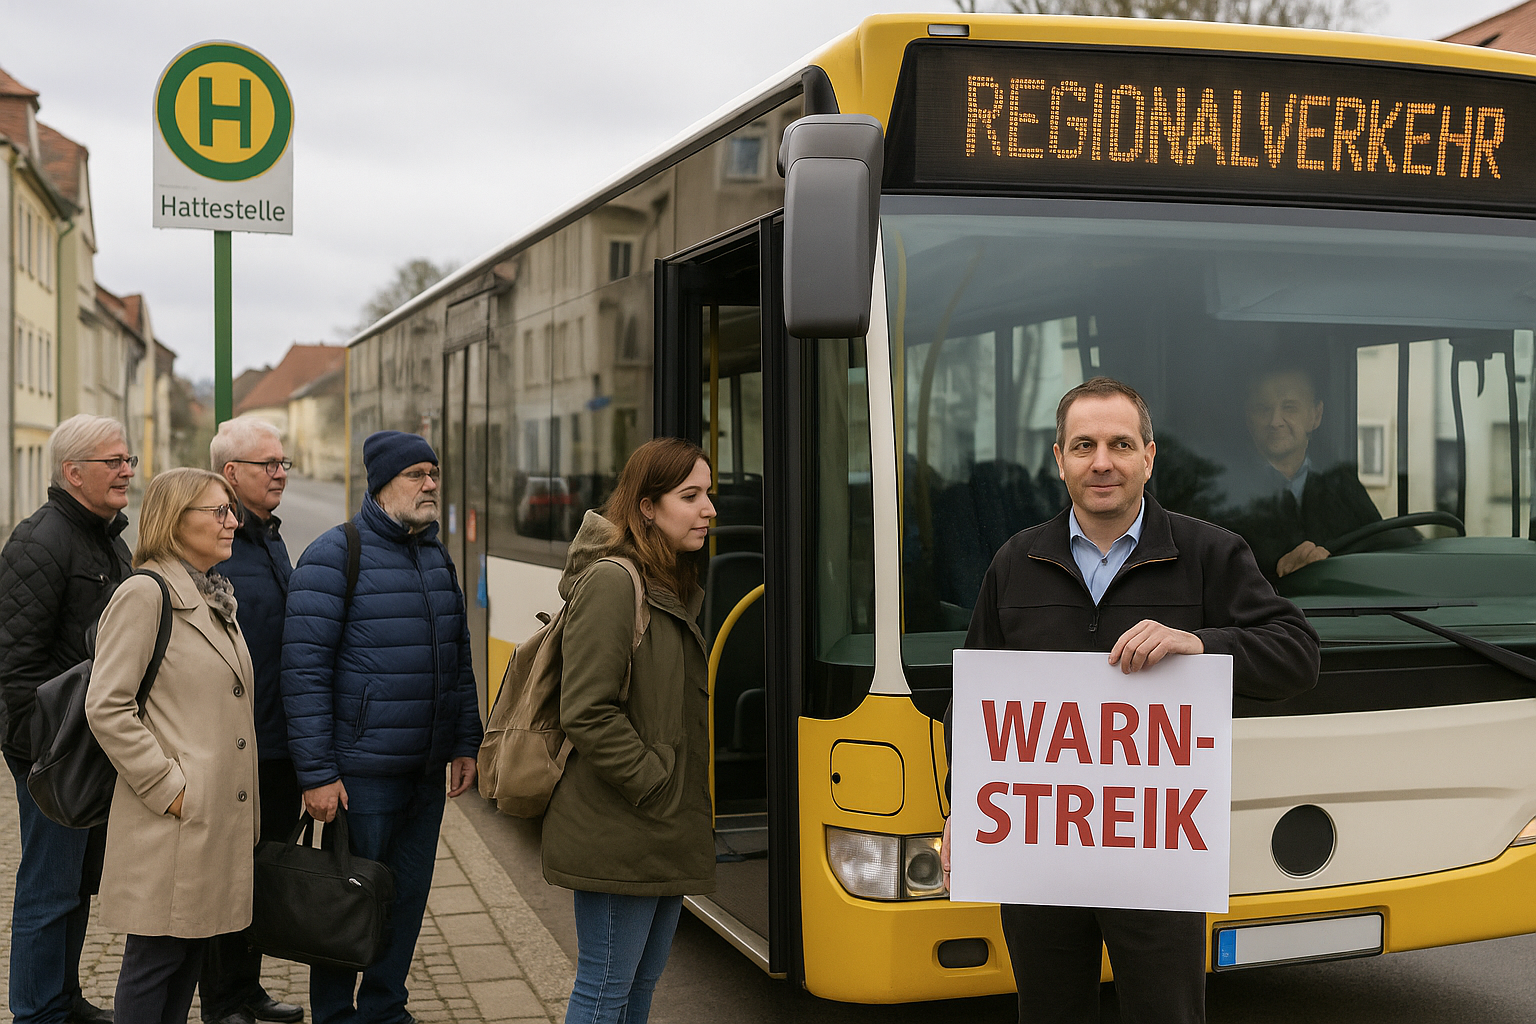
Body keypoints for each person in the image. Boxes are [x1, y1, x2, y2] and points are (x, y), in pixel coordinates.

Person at [941, 377, 1319, 1024]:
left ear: (1149, 456)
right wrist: (962, 809)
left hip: (1156, 855)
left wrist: (1200, 644)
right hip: (1040, 851)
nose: (1102, 462)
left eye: (1120, 444)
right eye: (1083, 445)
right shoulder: (1014, 562)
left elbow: (1297, 655)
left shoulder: (1210, 554)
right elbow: (974, 704)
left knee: (1165, 1014)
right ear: (1058, 460)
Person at [281, 430, 483, 1024]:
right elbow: (304, 673)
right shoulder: (334, 553)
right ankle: (335, 1015)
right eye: (416, 474)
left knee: (407, 900)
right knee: (350, 901)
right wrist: (317, 773)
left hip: (423, 771)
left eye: (434, 473)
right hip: (361, 775)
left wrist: (465, 740)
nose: (430, 485)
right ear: (381, 483)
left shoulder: (435, 555)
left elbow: (457, 656)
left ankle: (385, 1009)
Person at [542, 436, 717, 1024]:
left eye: (708, 494)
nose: (708, 509)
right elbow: (586, 709)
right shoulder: (615, 582)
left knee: (639, 986)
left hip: (657, 824)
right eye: (690, 495)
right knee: (605, 988)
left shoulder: (671, 583)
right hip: (623, 821)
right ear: (647, 506)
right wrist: (654, 780)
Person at [85, 468, 260, 1024]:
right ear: (175, 520)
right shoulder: (145, 594)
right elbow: (106, 705)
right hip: (175, 819)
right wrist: (170, 788)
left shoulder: (211, 595)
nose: (232, 521)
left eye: (230, 510)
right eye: (218, 511)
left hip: (209, 821)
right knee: (155, 963)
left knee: (185, 960)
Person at [0, 414, 136, 1024]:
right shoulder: (40, 541)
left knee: (77, 884)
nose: (127, 471)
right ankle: (34, 1012)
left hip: (92, 745)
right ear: (72, 472)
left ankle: (62, 998)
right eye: (114, 461)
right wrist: (43, 760)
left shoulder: (105, 535)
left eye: (128, 460)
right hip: (55, 754)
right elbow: (13, 667)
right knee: (47, 889)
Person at [200, 418, 305, 1024]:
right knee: (230, 877)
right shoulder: (215, 539)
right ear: (231, 474)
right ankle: (223, 1001)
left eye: (284, 463)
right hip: (238, 746)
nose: (281, 474)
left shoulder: (268, 536)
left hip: (279, 741)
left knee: (259, 874)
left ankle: (248, 989)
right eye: (269, 464)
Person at [1230, 366, 1384, 578]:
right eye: (1263, 409)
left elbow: (1381, 549)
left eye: (1289, 407)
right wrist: (1273, 572)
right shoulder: (1225, 489)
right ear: (1248, 419)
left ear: (1316, 415)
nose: (1275, 421)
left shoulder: (1341, 484)